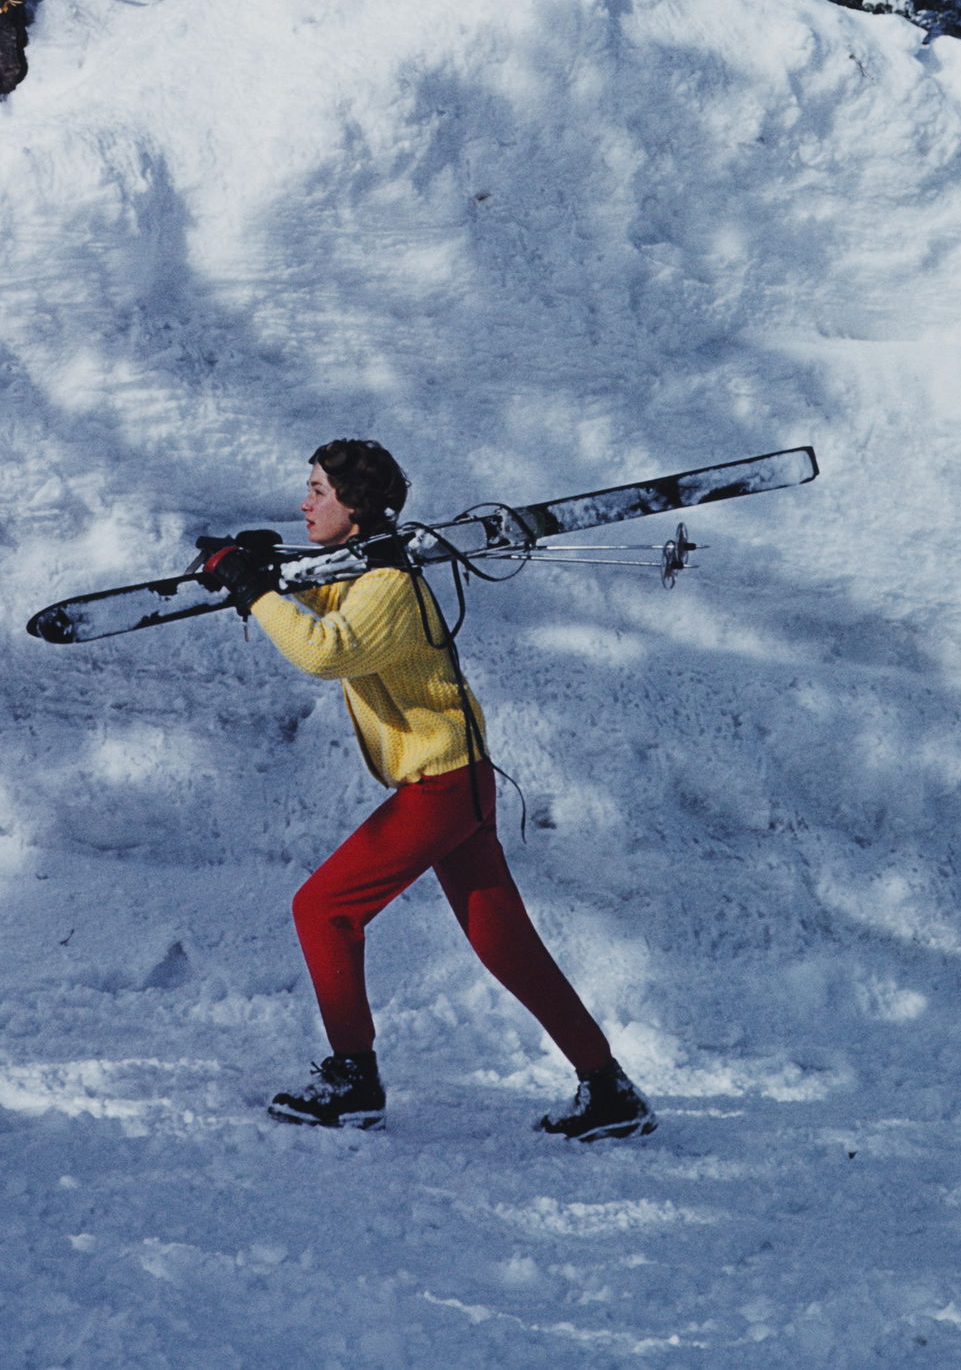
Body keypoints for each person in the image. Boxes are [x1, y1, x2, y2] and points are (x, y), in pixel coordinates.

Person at [199, 437, 653, 1140]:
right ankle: (609, 1089)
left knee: (323, 908)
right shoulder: (371, 570)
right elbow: (330, 599)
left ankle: (353, 1079)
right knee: (507, 945)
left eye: (317, 490)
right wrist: (269, 567)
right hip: (457, 781)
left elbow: (328, 649)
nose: (304, 501)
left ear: (354, 505)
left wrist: (256, 589)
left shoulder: (388, 586)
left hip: (441, 788)